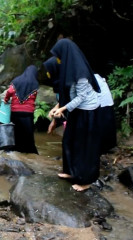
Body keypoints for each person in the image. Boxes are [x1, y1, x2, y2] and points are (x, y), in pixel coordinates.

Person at [48, 38, 101, 192]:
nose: (58, 60)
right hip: (76, 110)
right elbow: (68, 93)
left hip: (88, 111)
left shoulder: (80, 70)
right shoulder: (68, 67)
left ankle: (86, 181)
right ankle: (71, 171)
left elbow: (81, 97)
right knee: (69, 140)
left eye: (59, 56)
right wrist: (57, 107)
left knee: (85, 146)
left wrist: (63, 108)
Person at [4, 65, 39, 154]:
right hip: (28, 113)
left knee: (15, 131)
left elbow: (9, 92)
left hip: (15, 112)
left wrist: (6, 100)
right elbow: (34, 98)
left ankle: (14, 150)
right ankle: (29, 152)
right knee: (28, 133)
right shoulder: (35, 84)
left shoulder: (16, 81)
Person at [94, 73, 117, 154]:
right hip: (102, 100)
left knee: (102, 123)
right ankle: (106, 148)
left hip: (100, 100)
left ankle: (104, 149)